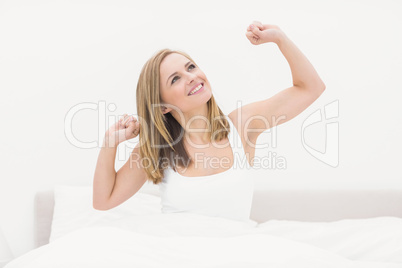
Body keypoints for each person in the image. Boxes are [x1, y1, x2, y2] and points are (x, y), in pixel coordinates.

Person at [92, 21, 326, 221]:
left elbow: (310, 88)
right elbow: (104, 201)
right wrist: (109, 142)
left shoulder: (242, 125)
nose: (192, 77)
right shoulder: (157, 146)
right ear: (162, 106)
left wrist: (280, 39)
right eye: (175, 79)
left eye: (191, 67)